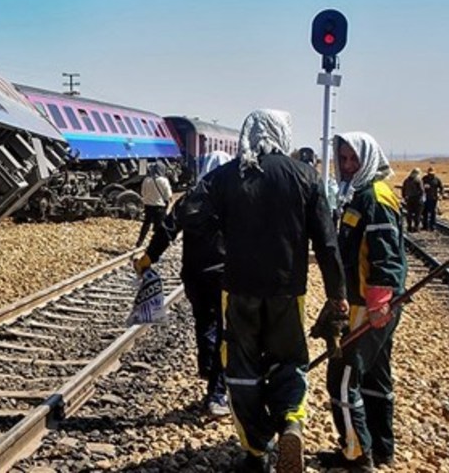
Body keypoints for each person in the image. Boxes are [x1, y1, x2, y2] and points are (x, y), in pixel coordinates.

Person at [200, 109, 347, 473]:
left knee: (241, 368)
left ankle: (255, 450)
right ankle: (291, 423)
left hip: (239, 291)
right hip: (287, 291)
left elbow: (191, 212)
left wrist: (223, 238)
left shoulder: (228, 175)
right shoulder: (305, 175)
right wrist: (337, 293)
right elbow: (328, 243)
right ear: (284, 133)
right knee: (290, 361)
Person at [319, 133, 408, 471]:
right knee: (375, 377)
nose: (346, 165)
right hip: (373, 303)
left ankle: (356, 455)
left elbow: (386, 255)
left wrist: (379, 301)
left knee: (341, 378)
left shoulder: (375, 196)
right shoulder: (362, 193)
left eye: (353, 159)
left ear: (369, 157)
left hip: (368, 304)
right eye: (342, 159)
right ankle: (382, 448)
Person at [136, 150, 232, 417]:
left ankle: (207, 367)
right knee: (226, 332)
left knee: (204, 322)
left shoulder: (190, 198)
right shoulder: (231, 200)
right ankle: (217, 394)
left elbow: (167, 229)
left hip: (193, 275)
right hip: (223, 276)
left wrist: (148, 258)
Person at [136, 162, 172, 247]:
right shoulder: (164, 181)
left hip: (148, 206)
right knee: (159, 227)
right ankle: (155, 244)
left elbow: (142, 193)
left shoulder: (146, 180)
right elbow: (168, 196)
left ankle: (140, 241)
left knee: (146, 223)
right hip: (159, 207)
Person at [400, 168, 424, 232]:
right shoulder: (418, 180)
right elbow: (422, 190)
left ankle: (409, 227)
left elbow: (403, 189)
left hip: (409, 199)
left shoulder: (406, 180)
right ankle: (416, 227)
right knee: (418, 214)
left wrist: (404, 197)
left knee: (409, 214)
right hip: (417, 199)